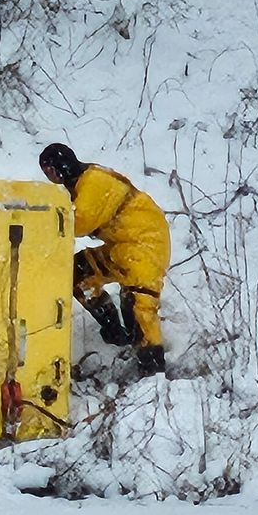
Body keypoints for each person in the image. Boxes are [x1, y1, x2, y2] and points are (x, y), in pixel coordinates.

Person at [38, 143, 171, 378]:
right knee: (78, 272)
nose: (52, 178)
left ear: (62, 165)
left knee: (140, 306)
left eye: (51, 171)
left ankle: (153, 372)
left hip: (146, 243)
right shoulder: (82, 182)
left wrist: (40, 228)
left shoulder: (93, 182)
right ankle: (112, 327)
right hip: (121, 246)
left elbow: (78, 221)